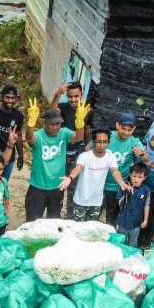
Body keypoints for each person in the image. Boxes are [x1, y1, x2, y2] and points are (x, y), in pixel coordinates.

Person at [23, 101, 86, 222]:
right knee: (32, 222)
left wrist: (80, 123)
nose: (56, 127)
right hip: (37, 187)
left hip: (57, 187)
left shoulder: (63, 133)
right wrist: (30, 124)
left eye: (58, 124)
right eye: (52, 124)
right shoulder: (39, 135)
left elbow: (78, 137)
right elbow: (29, 139)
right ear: (44, 123)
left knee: (53, 222)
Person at [63, 129, 127, 222]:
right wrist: (70, 178)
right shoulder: (85, 156)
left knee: (91, 230)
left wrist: (122, 183)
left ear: (108, 142)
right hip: (81, 201)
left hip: (96, 202)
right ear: (93, 142)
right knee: (77, 229)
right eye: (99, 142)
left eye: (105, 142)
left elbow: (115, 171)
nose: (102, 145)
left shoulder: (110, 157)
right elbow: (78, 168)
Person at [51, 82, 93, 217]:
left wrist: (88, 145)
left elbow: (87, 129)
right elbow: (52, 113)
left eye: (76, 96)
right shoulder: (62, 107)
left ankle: (70, 218)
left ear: (82, 95)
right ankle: (54, 217)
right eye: (70, 96)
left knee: (73, 187)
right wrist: (58, 95)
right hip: (61, 152)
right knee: (58, 185)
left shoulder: (87, 110)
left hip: (78, 152)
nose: (73, 99)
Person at [102, 113, 145, 227]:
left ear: (133, 129)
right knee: (94, 214)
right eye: (123, 128)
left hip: (118, 186)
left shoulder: (133, 141)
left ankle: (110, 239)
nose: (126, 132)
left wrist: (141, 153)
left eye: (129, 130)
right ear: (117, 125)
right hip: (99, 183)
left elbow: (145, 157)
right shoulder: (107, 136)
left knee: (111, 217)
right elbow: (89, 148)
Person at [0, 85, 25, 178]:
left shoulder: (18, 115)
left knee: (2, 185)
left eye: (13, 98)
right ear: (2, 97)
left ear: (16, 98)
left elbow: (18, 136)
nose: (10, 101)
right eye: (7, 97)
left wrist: (21, 156)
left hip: (9, 156)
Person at [116, 164, 151, 247]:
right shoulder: (124, 186)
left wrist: (145, 220)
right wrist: (127, 194)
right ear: (130, 175)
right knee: (120, 242)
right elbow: (119, 203)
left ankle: (130, 258)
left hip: (136, 223)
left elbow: (147, 206)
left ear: (144, 178)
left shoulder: (146, 190)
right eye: (134, 176)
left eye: (140, 177)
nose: (136, 179)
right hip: (122, 222)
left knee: (133, 243)